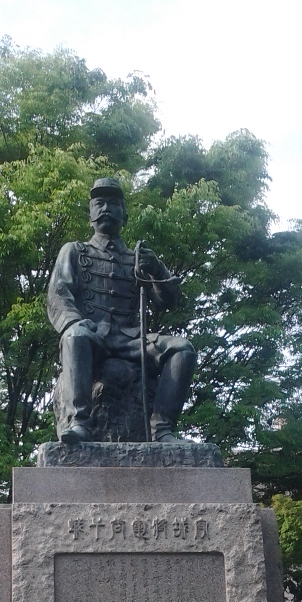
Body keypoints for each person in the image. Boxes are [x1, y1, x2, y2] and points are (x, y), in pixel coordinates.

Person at [47, 177, 196, 443]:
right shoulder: (74, 251)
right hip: (93, 335)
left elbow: (168, 300)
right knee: (74, 336)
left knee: (182, 348)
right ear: (91, 213)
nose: (106, 208)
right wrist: (73, 323)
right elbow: (59, 294)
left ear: (125, 214)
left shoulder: (137, 258)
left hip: (131, 338)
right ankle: (80, 422)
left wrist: (157, 268)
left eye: (114, 204)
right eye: (99, 203)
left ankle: (161, 428)